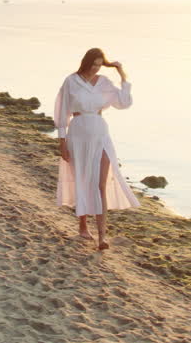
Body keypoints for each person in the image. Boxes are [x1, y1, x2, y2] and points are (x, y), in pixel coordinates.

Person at [54, 48, 139, 250]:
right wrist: (62, 143)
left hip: (100, 133)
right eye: (93, 64)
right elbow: (61, 114)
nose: (96, 68)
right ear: (86, 62)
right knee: (82, 180)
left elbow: (124, 102)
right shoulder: (71, 81)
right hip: (78, 133)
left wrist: (122, 74)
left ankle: (102, 236)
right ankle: (83, 226)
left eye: (100, 65)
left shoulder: (104, 83)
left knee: (100, 184)